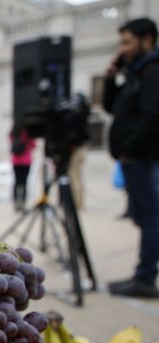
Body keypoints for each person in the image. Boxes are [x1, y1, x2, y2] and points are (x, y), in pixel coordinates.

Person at [103, 17, 159, 298]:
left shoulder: (153, 72)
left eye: (127, 42)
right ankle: (143, 274)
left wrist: (131, 147)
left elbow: (152, 117)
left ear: (146, 39)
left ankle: (145, 278)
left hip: (142, 158)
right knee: (144, 216)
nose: (122, 49)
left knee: (150, 217)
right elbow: (113, 108)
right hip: (134, 158)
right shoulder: (136, 73)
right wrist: (112, 80)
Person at [9, 124, 36, 211]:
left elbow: (10, 140)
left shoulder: (14, 132)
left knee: (17, 181)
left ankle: (16, 202)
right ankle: (23, 202)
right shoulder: (29, 133)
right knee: (24, 182)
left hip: (16, 161)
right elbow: (33, 145)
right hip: (26, 161)